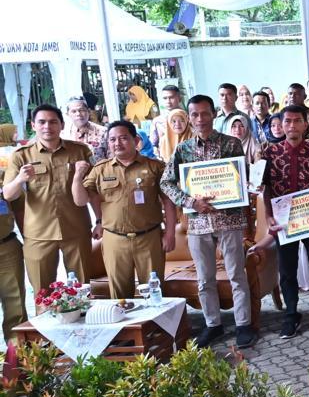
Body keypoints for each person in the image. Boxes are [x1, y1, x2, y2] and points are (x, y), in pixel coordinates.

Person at [160, 95, 256, 348]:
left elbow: (241, 178)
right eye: (195, 114)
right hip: (198, 223)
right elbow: (165, 182)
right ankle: (213, 324)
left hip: (229, 221)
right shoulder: (183, 150)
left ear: (213, 114)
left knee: (236, 274)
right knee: (205, 279)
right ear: (189, 118)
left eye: (205, 113)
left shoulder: (232, 144)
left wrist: (235, 192)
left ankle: (243, 324)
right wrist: (191, 202)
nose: (200, 119)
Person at [72, 120, 177, 299]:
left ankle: (157, 327)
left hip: (149, 238)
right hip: (115, 239)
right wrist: (77, 176)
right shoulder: (100, 170)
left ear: (136, 140)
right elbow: (81, 201)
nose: (117, 143)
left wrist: (170, 233)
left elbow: (168, 201)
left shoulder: (155, 167)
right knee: (120, 295)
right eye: (112, 140)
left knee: (155, 292)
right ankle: (126, 328)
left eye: (123, 138)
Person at [261, 105, 309, 338]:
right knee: (287, 270)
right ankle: (291, 314)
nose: (292, 126)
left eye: (297, 121)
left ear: (306, 124)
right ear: (281, 125)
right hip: (284, 223)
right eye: (287, 121)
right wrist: (267, 216)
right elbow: (263, 188)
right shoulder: (269, 154)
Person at [2, 104, 94, 293]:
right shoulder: (21, 156)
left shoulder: (80, 151)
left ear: (61, 124)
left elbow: (93, 191)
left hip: (76, 230)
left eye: (53, 122)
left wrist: (100, 220)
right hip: (38, 234)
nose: (47, 126)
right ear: (33, 125)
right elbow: (9, 195)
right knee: (43, 294)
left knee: (82, 290)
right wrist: (20, 179)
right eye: (42, 122)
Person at [0, 193, 24, 341]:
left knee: (15, 307)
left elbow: (20, 209)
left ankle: (16, 359)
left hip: (6, 246)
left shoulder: (4, 176)